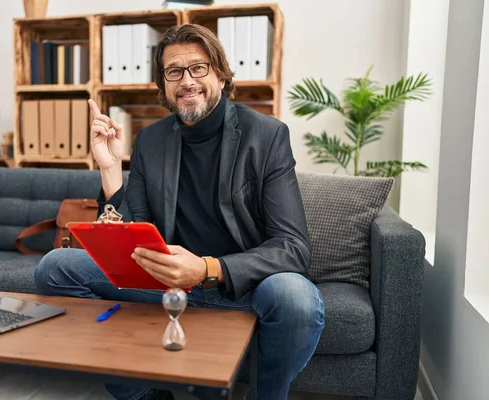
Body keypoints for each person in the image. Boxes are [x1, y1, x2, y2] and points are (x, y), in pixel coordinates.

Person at [34, 24, 325, 400]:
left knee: (295, 297)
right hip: (165, 284)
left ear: (220, 73)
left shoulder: (265, 136)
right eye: (174, 71)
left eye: (198, 68)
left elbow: (293, 247)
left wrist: (207, 267)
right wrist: (109, 168)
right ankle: (145, 393)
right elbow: (134, 230)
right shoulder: (150, 140)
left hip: (241, 288)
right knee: (55, 267)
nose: (187, 80)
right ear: (164, 85)